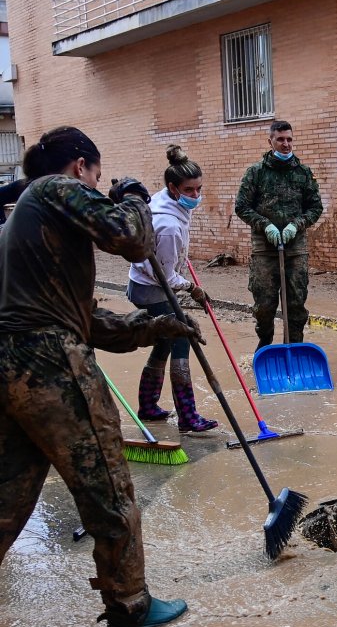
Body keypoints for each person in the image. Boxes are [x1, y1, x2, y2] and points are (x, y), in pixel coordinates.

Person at [0, 126, 201, 627]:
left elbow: (82, 319)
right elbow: (134, 239)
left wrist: (151, 326)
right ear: (78, 167)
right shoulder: (51, 189)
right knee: (109, 491)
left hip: (11, 367)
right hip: (50, 366)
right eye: (95, 174)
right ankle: (130, 605)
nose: (95, 184)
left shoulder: (21, 226)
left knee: (6, 498)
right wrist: (134, 195)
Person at [128, 145, 217, 432]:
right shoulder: (168, 226)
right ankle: (188, 418)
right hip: (151, 289)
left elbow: (169, 261)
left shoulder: (166, 201)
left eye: (198, 189)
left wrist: (180, 260)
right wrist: (192, 288)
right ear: (173, 188)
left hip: (144, 282)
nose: (196, 196)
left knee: (165, 340)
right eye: (189, 190)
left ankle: (148, 406)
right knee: (181, 336)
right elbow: (166, 278)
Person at [235, 120, 323, 350]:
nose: (286, 144)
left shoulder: (303, 173)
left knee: (296, 303)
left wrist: (297, 224)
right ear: (270, 141)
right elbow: (242, 206)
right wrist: (265, 225)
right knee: (264, 304)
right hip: (265, 248)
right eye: (281, 139)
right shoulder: (256, 173)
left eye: (289, 139)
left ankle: (293, 348)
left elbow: (315, 207)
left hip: (295, 248)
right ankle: (265, 344)